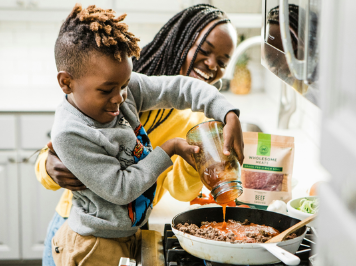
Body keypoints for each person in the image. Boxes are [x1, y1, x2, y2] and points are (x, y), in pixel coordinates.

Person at [36, 4, 238, 266]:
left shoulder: (122, 83)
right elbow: (117, 186)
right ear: (180, 39)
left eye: (222, 61)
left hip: (129, 230)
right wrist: (47, 166)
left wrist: (226, 113)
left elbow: (180, 89)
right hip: (89, 240)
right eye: (205, 50)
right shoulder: (103, 79)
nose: (120, 97)